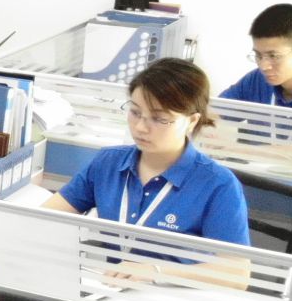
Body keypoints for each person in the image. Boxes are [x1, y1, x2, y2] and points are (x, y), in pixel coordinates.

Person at [39, 59, 250, 246]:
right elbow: (44, 217)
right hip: (107, 278)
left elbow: (236, 270)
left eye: (159, 119)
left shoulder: (218, 184)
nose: (140, 127)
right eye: (135, 112)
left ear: (192, 121)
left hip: (170, 281)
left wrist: (157, 270)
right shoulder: (109, 163)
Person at [219, 3, 292, 113]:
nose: (263, 67)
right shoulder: (257, 80)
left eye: (274, 56)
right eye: (258, 55)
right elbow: (214, 113)